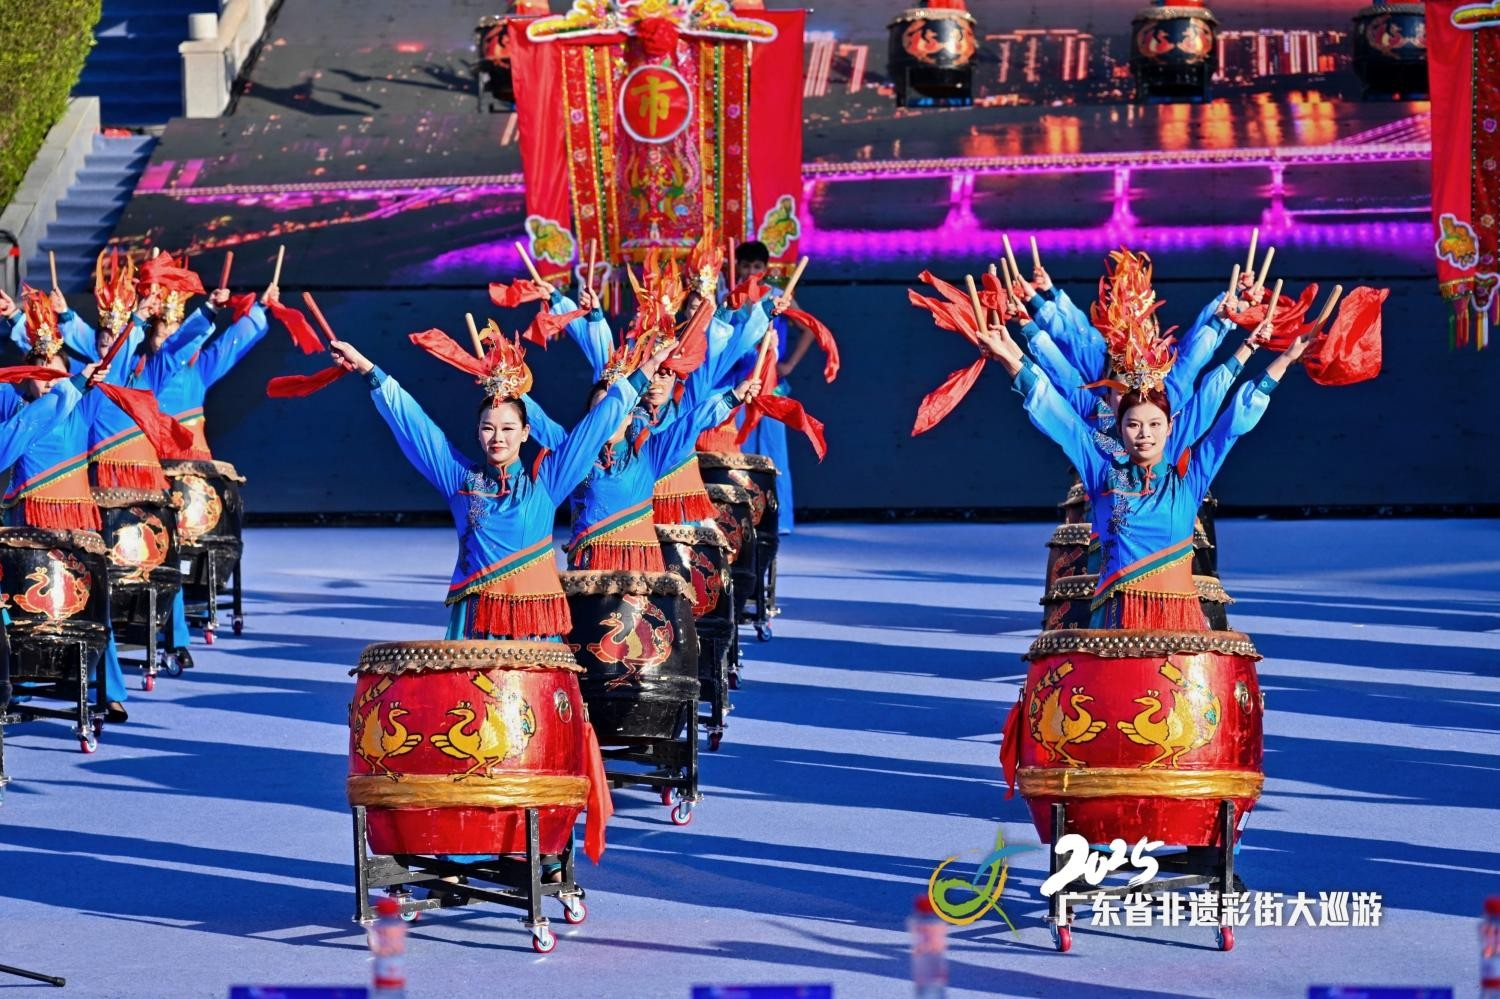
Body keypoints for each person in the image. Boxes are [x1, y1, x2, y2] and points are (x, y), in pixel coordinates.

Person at [965, 256, 1316, 630]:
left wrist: (1272, 353)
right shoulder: (1099, 462)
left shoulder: (1188, 477)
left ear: (1169, 426)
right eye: (1133, 424)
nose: (1145, 433)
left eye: (1154, 424)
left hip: (1180, 627)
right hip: (1114, 622)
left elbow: (1223, 411)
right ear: (1118, 420)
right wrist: (1013, 349)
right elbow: (1054, 398)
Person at [325, 330, 674, 639]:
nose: (497, 438)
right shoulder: (460, 480)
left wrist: (646, 371)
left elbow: (596, 425)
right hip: (477, 623)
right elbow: (416, 426)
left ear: (525, 433)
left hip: (534, 629)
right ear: (478, 433)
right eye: (488, 428)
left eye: (508, 428)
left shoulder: (547, 482)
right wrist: (368, 370)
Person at [0, 290, 134, 718]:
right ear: (26, 376)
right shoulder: (16, 406)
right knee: (20, 600)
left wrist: (120, 334)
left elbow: (116, 367)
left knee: (93, 600)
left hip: (77, 518)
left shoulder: (81, 402)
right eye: (41, 375)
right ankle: (18, 680)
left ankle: (108, 688)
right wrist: (16, 320)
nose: (50, 382)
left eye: (57, 375)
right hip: (27, 518)